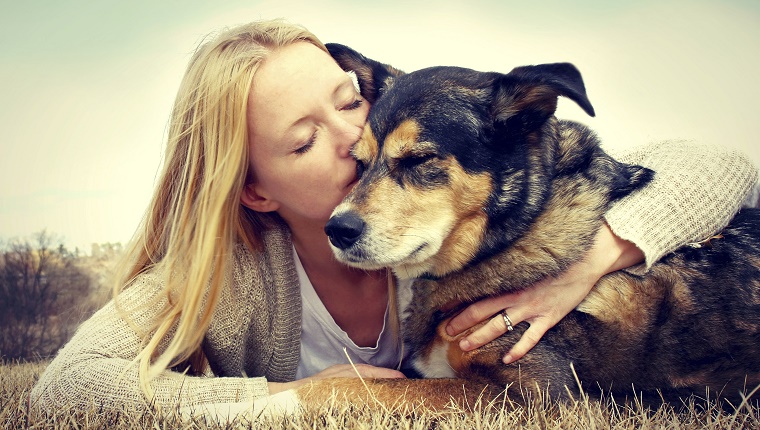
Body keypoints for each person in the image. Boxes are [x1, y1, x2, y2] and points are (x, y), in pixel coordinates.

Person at [30, 19, 758, 416]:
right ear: (256, 191)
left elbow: (719, 168)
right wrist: (301, 397)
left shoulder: (453, 220)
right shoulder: (237, 274)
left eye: (348, 102)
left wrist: (596, 259)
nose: (356, 139)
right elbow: (66, 390)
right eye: (303, 140)